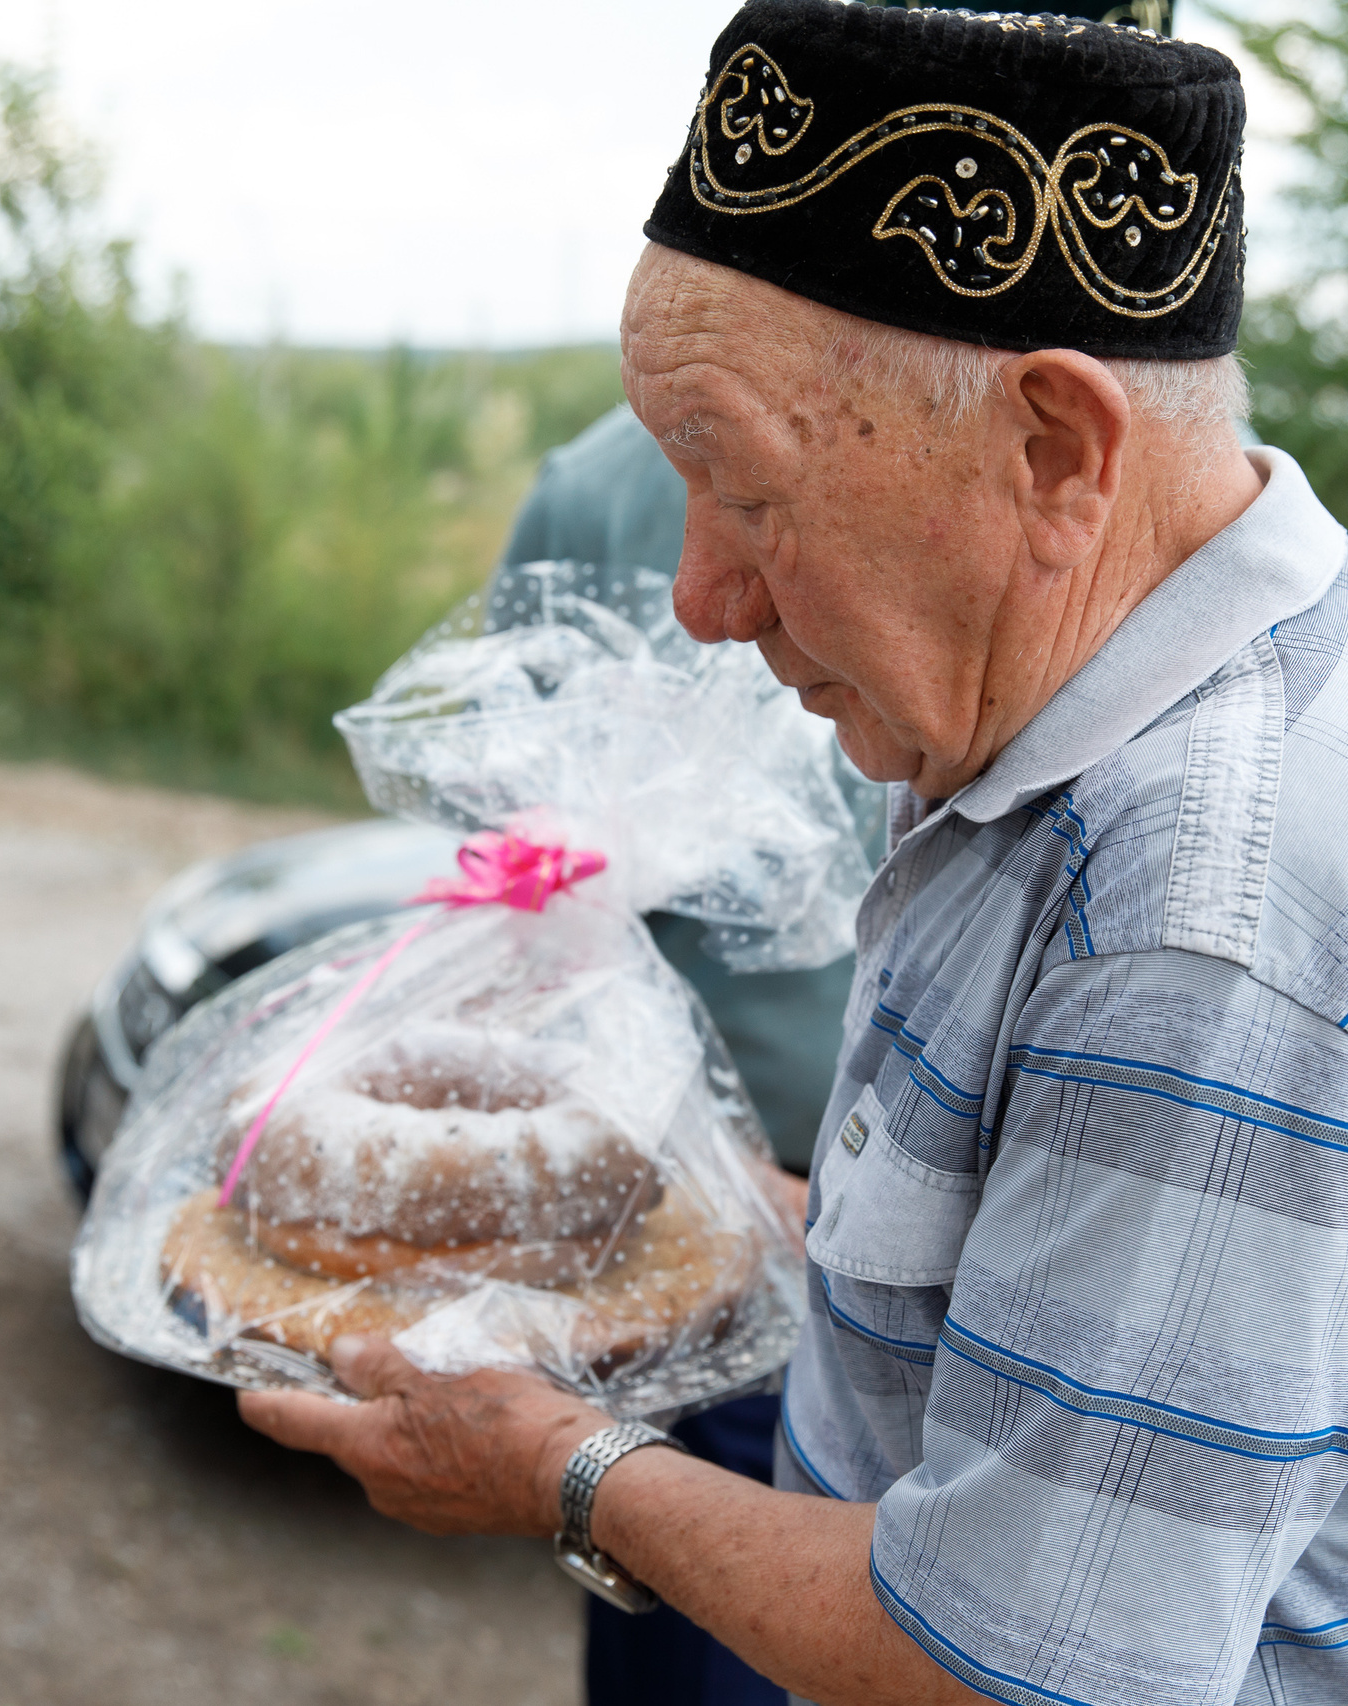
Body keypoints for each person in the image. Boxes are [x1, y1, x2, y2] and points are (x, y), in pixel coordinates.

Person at [244, 7, 1348, 1704]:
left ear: (1056, 454)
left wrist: (553, 1462)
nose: (704, 598)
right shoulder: (1161, 657)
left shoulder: (1212, 917)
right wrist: (757, 1220)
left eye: (744, 490)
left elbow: (1012, 1668)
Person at [496, 404, 843, 1706]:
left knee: (798, 1564)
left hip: (862, 1184)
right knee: (642, 1534)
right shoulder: (588, 484)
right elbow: (511, 787)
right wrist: (556, 876)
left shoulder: (915, 431)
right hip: (655, 1156)